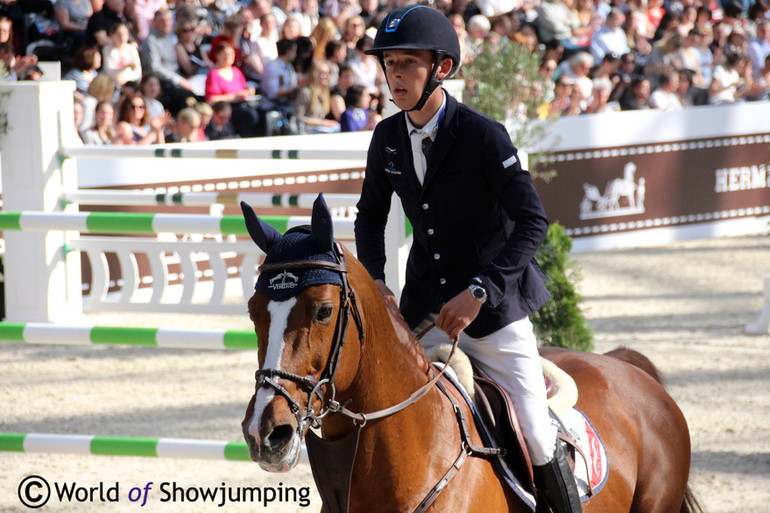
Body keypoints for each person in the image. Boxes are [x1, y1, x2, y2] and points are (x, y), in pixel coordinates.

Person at [353, 7, 581, 513]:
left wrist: (480, 290)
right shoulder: (386, 139)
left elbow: (532, 223)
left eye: (408, 62)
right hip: (421, 308)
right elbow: (369, 218)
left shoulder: (483, 135)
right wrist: (376, 284)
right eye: (388, 62)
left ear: (442, 68)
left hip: (494, 312)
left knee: (537, 434)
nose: (394, 74)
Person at [102, 21, 142, 86]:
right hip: (113, 82)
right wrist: (124, 67)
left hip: (131, 83)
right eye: (119, 35)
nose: (122, 38)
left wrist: (128, 80)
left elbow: (137, 71)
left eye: (125, 34)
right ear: (112, 35)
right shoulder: (107, 49)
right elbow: (109, 71)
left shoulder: (132, 49)